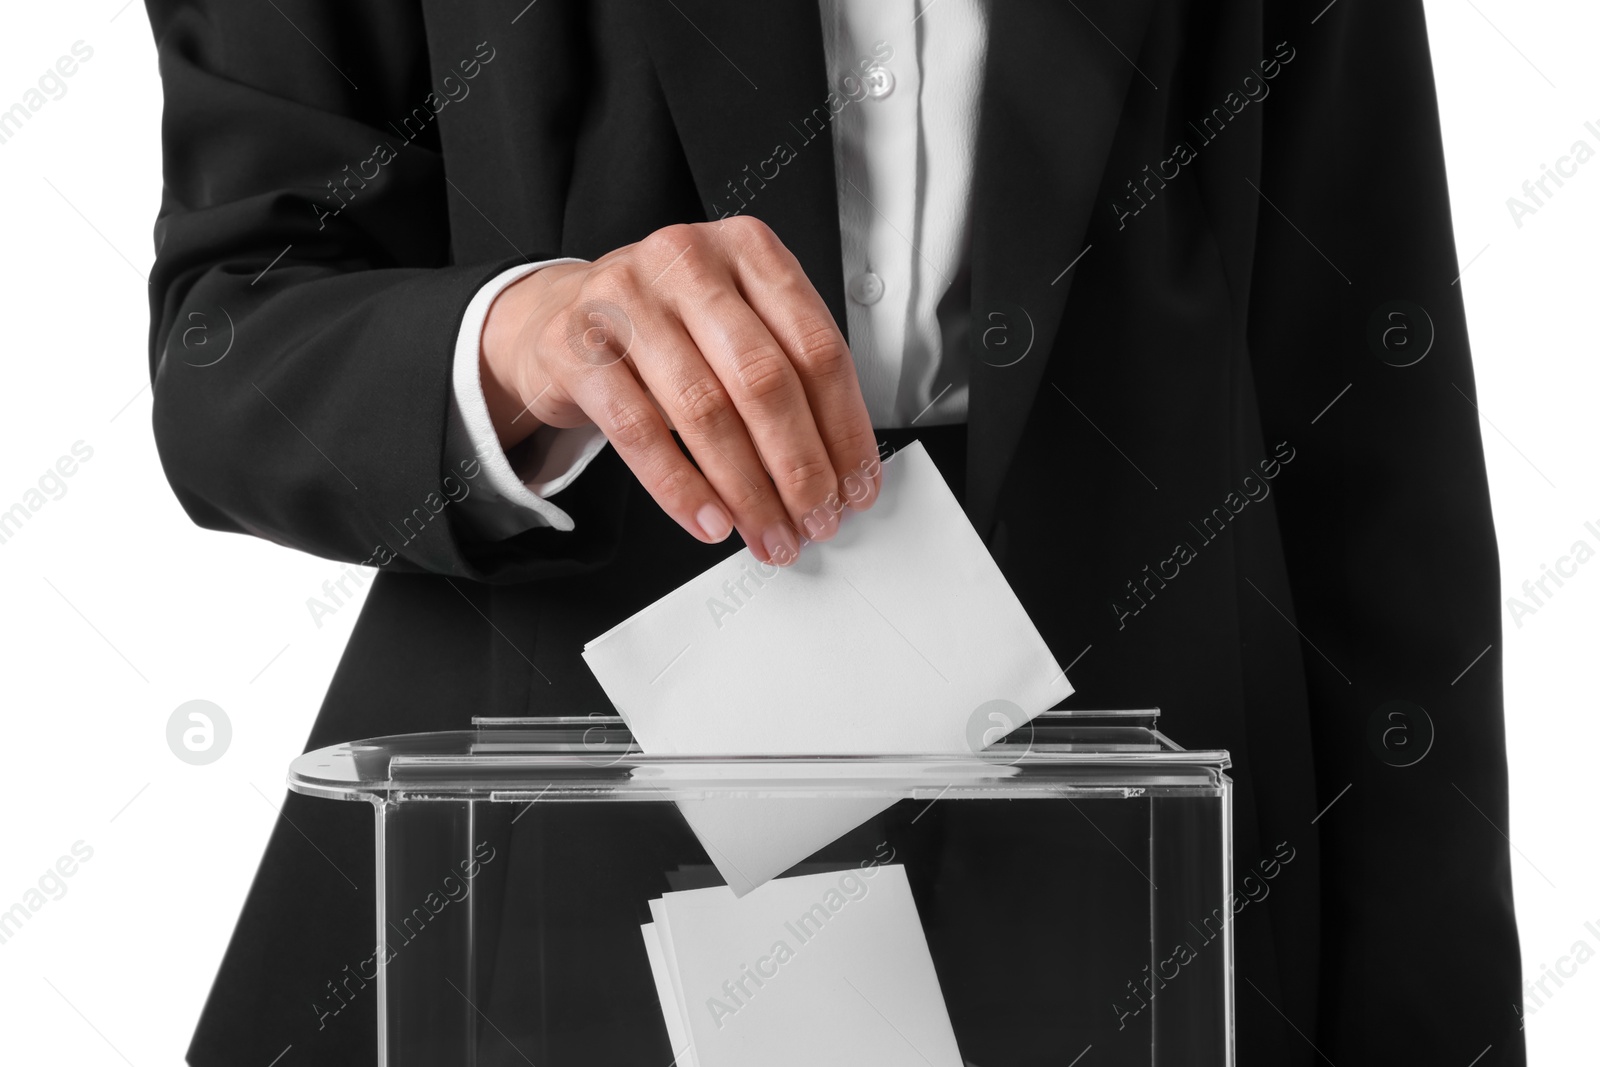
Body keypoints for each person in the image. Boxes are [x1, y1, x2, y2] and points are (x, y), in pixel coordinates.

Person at [143, 0, 1524, 1063]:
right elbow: (231, 339)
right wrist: (523, 339)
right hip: (556, 841)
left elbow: (1371, 461)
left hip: (1153, 843)